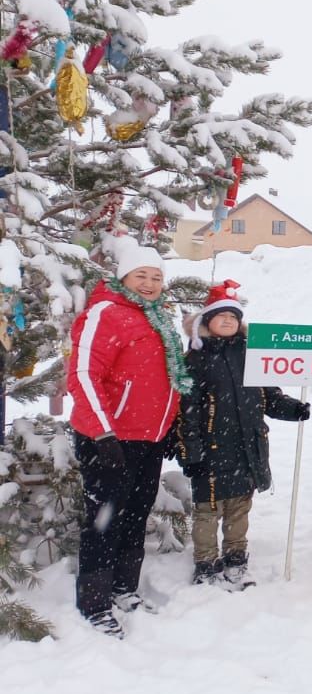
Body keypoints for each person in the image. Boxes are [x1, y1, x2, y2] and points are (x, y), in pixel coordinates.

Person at [67, 238, 190, 637]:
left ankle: (124, 588)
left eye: (156, 277)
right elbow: (84, 375)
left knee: (136, 514)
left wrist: (167, 428)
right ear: (124, 277)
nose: (150, 283)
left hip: (147, 439)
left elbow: (166, 380)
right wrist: (103, 432)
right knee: (105, 519)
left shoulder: (155, 317)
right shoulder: (106, 313)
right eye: (142, 275)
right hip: (109, 437)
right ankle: (95, 603)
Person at [177, 281, 310, 589]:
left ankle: (236, 559)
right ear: (207, 320)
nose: (228, 321)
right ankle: (206, 563)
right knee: (208, 511)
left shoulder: (252, 356)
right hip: (211, 449)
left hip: (247, 447)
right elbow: (188, 411)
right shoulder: (195, 360)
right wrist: (191, 452)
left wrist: (294, 409)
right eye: (221, 316)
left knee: (239, 508)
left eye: (234, 317)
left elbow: (269, 396)